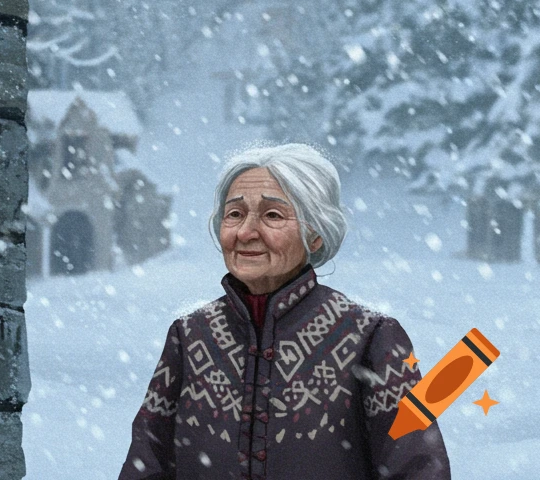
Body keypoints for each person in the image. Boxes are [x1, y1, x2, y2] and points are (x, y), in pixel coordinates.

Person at [118, 144, 451, 480]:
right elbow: (146, 464)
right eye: (234, 214)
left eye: (272, 215)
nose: (245, 232)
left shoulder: (372, 337)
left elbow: (418, 469)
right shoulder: (189, 336)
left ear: (315, 234)